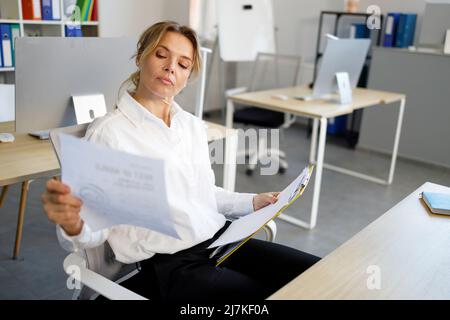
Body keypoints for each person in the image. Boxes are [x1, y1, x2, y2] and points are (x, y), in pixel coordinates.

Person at [41, 21, 320, 301]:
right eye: (161, 55)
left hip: (221, 242)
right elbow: (92, 230)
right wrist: (73, 225)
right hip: (174, 266)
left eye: (183, 64)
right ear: (141, 57)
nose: (171, 67)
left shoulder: (190, 125)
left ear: (187, 77)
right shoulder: (110, 133)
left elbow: (203, 195)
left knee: (317, 276)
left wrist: (251, 202)